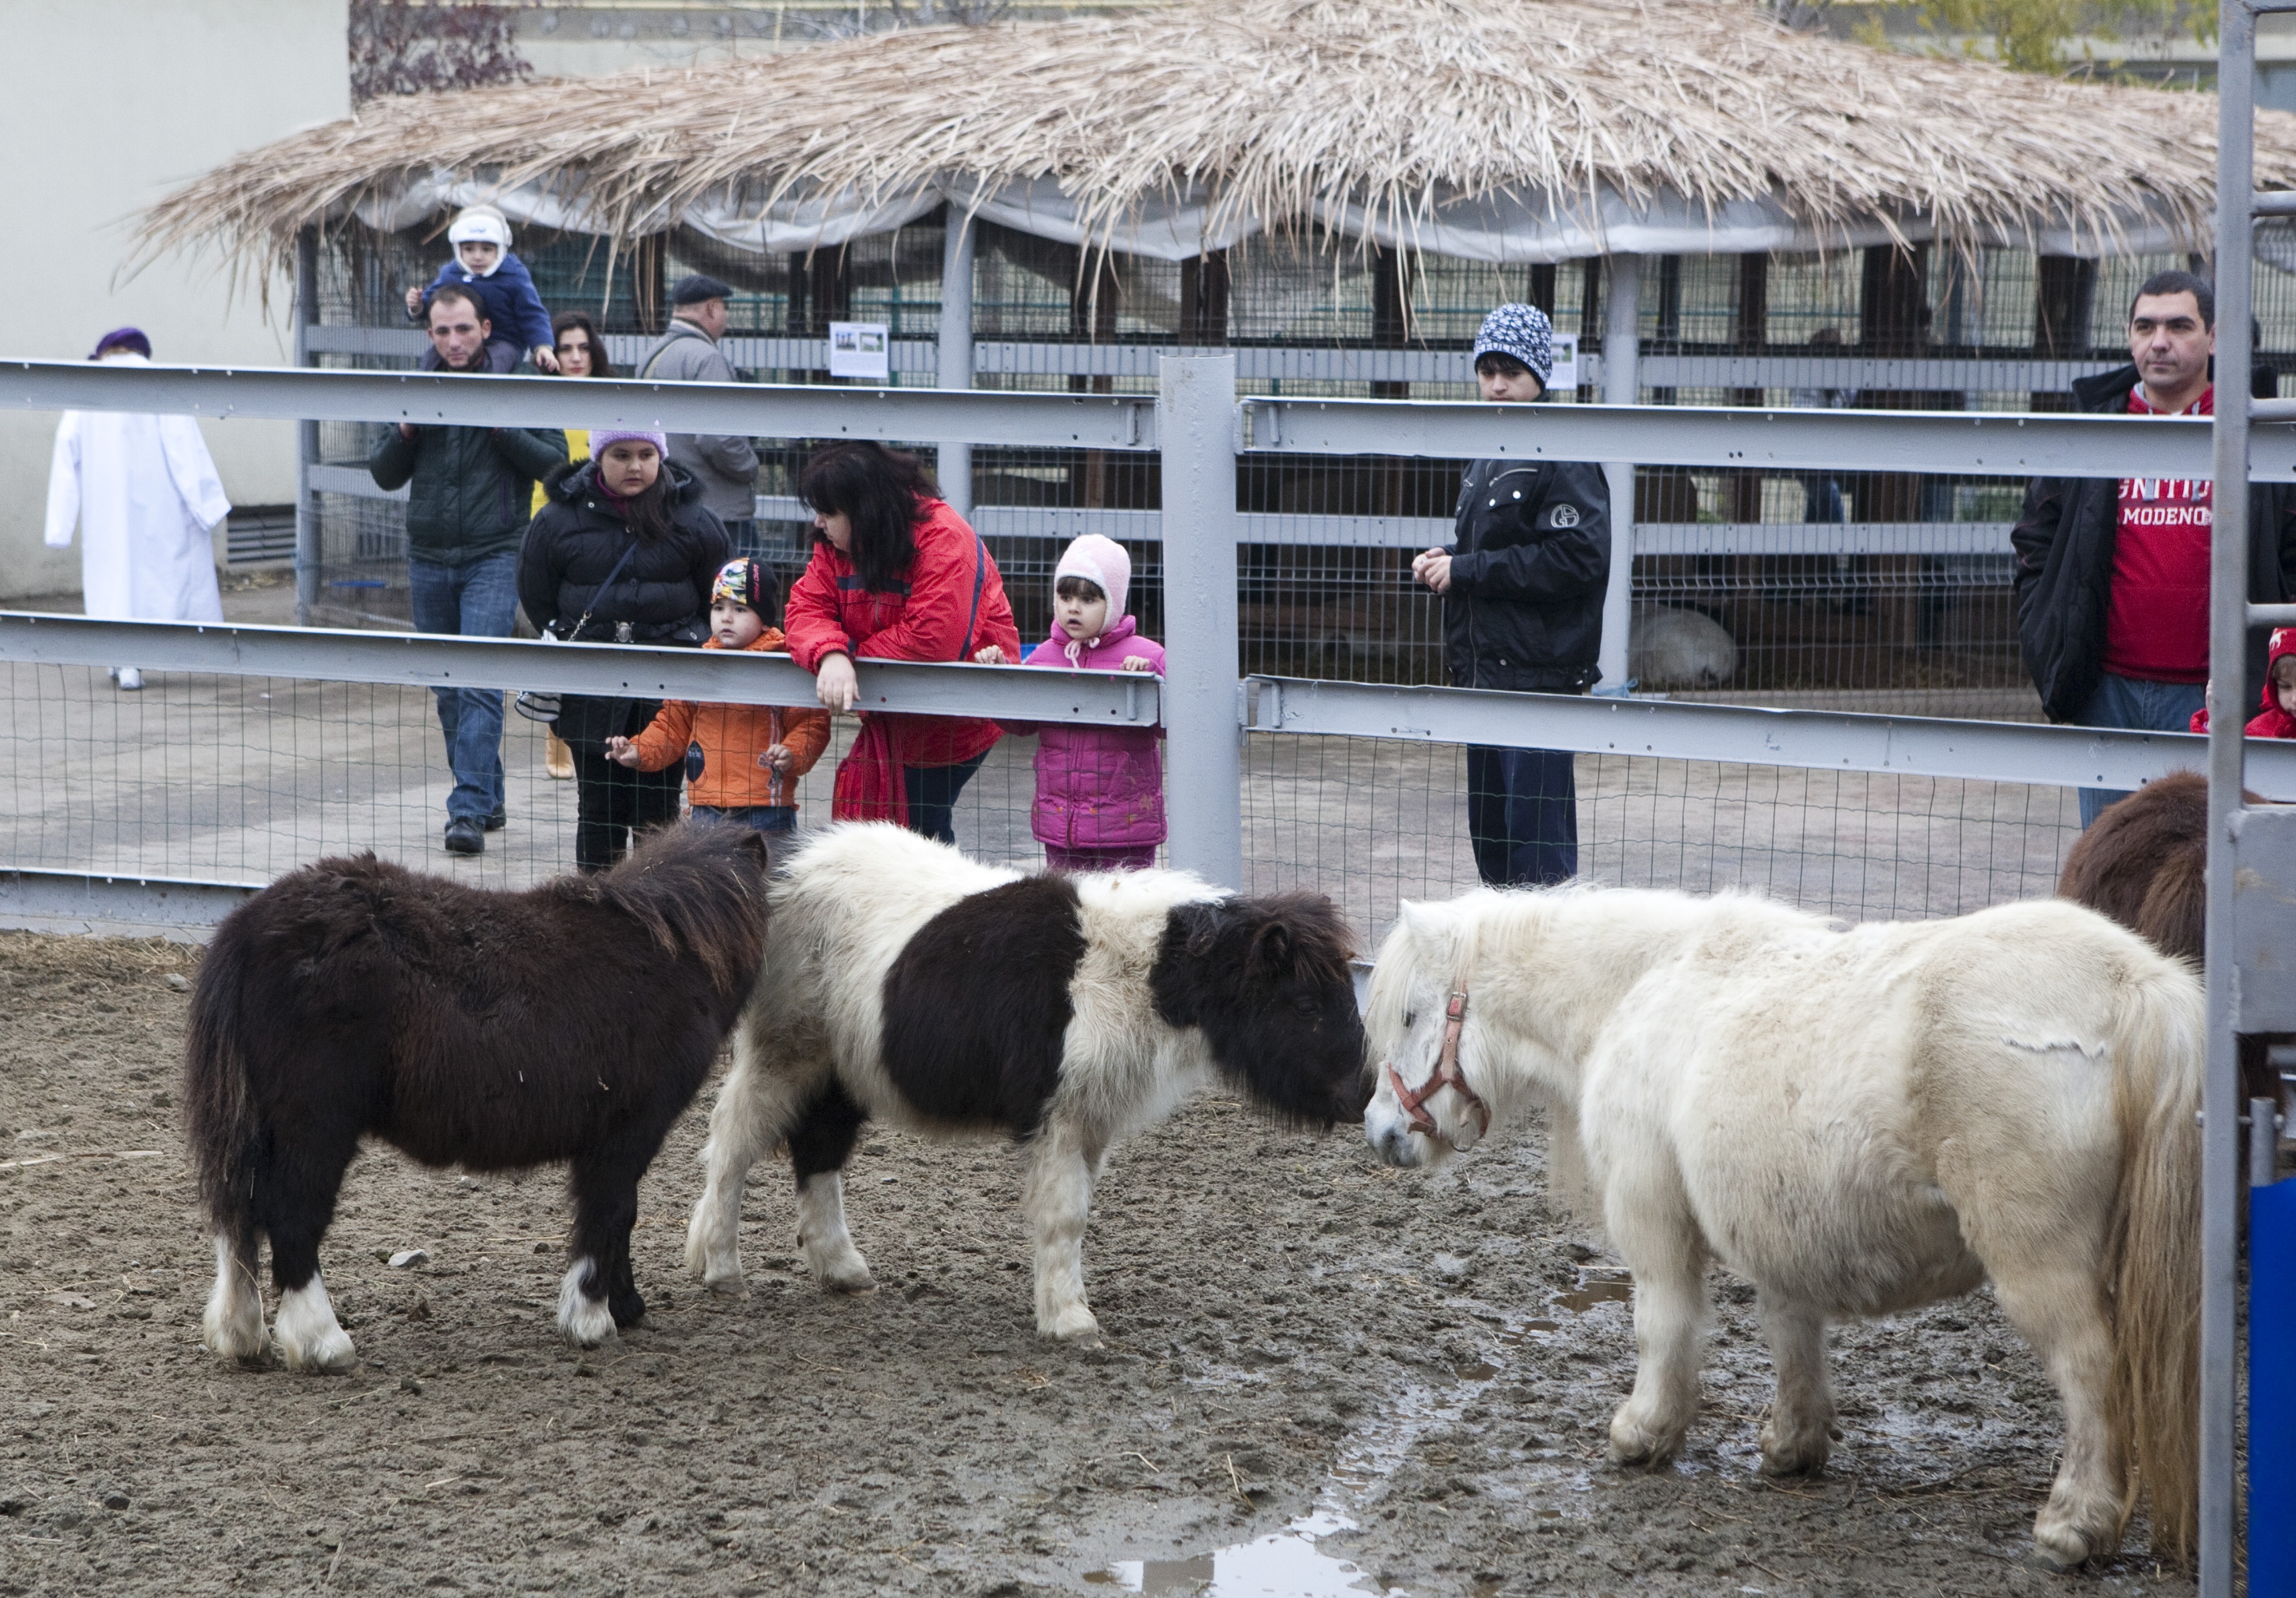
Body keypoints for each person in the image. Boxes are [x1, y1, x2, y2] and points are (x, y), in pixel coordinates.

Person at [2012, 267, 2296, 827]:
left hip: (2217, 696)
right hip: (2105, 692)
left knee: (2208, 874)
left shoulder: (2260, 432)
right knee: (2108, 868)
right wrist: (2047, 637)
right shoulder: (2090, 429)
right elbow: (2033, 542)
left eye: (2178, 326)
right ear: (2128, 334)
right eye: (2144, 326)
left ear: (2214, 337)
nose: (2158, 341)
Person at [1411, 303, 1610, 888]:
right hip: (1485, 675)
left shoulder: (1562, 451)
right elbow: (1497, 547)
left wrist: (1468, 570)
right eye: (1487, 369)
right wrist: (1445, 560)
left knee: (1538, 852)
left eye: (1512, 371)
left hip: (1536, 678)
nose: (1497, 384)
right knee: (1494, 841)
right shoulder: (1489, 448)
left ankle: (1547, 971)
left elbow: (1578, 558)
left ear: (1539, 375)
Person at [369, 285, 567, 855]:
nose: (453, 341)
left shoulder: (522, 382)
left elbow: (557, 463)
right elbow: (382, 472)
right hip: (428, 554)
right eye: (442, 331)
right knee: (448, 688)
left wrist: (501, 426)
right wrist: (406, 432)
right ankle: (490, 793)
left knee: (477, 679)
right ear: (429, 334)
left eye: (463, 329)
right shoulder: (416, 384)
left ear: (485, 328)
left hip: (495, 552)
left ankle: (467, 809)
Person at [783, 440, 1021, 843]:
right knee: (905, 832)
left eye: (828, 513)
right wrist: (830, 653)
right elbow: (806, 607)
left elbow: (933, 639)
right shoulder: (836, 546)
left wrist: (850, 656)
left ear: (863, 512)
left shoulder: (946, 541)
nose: (819, 524)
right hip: (891, 709)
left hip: (957, 718)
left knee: (918, 831)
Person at [519, 429, 728, 871]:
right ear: (599, 457)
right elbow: (536, 593)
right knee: (597, 809)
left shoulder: (693, 520)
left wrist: (685, 640)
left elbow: (718, 593)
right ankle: (595, 915)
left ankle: (656, 918)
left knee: (657, 813)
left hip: (667, 685)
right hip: (589, 685)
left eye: (646, 454)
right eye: (621, 454)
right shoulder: (558, 520)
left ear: (661, 456)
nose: (635, 465)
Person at [43, 327, 229, 690]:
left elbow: (65, 457)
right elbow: (185, 449)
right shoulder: (159, 384)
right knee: (158, 584)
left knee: (113, 583)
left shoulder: (85, 392)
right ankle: (143, 657)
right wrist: (208, 505)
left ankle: (120, 660)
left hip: (105, 516)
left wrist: (60, 527)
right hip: (160, 510)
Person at [974, 533, 1165, 871]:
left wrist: (1149, 684)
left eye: (1089, 599)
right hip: (1060, 823)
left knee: (1126, 911)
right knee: (1067, 913)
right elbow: (1021, 723)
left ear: (1114, 602)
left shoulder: (1147, 655)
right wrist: (999, 680)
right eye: (1065, 596)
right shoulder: (1044, 657)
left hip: (1125, 825)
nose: (1073, 607)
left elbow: (1173, 726)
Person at [606, 557, 831, 836]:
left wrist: (793, 753)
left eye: (740, 609)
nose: (726, 617)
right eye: (719, 607)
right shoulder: (699, 666)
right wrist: (638, 751)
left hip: (765, 808)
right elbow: (671, 727)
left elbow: (811, 723)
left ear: (764, 620)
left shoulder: (780, 666)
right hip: (705, 808)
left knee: (769, 879)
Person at [529, 309, 616, 783]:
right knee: (559, 635)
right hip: (548, 529)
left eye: (584, 347)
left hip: (600, 532)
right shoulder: (540, 400)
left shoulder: (610, 398)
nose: (576, 357)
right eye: (566, 348)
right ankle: (560, 752)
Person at [634, 274, 760, 559]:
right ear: (713, 308)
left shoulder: (651, 355)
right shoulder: (707, 359)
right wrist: (751, 467)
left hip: (668, 504)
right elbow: (720, 439)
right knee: (734, 598)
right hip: (719, 512)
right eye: (724, 309)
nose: (725, 317)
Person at [404, 205, 559, 374]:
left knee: (494, 367)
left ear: (500, 250)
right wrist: (417, 306)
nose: (477, 256)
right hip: (462, 343)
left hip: (504, 341)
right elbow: (432, 303)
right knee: (429, 360)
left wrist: (543, 347)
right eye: (469, 249)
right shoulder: (451, 273)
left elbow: (533, 315)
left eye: (486, 249)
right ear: (458, 250)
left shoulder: (515, 276)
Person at [2190, 626, 2296, 740]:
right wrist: (2216, 724)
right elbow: (2219, 756)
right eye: (2285, 687)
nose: (2295, 699)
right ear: (2274, 686)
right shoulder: (2259, 731)